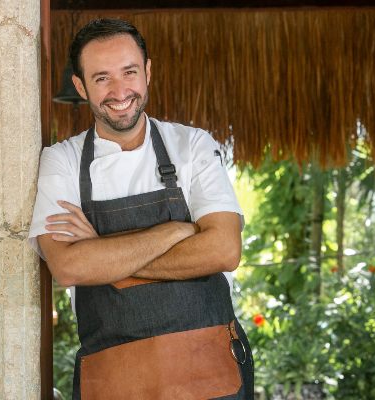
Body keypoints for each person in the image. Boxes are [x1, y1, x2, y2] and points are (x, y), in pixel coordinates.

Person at [28, 18, 254, 400]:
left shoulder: (192, 146)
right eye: (101, 78)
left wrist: (101, 250)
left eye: (129, 72)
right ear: (81, 86)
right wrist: (174, 232)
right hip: (116, 377)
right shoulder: (61, 161)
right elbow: (68, 266)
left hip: (209, 369)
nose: (120, 91)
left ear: (147, 72)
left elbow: (224, 251)